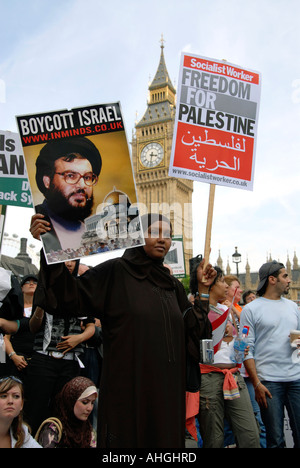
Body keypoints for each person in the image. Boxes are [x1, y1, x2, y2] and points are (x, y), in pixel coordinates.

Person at [33, 213, 216, 448]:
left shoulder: (172, 285)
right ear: (138, 236)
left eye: (168, 235)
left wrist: (202, 290)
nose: (163, 240)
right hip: (129, 387)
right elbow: (68, 296)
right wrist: (50, 246)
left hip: (167, 391)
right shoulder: (116, 271)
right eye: (154, 233)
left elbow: (196, 332)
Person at [23, 260, 96, 435]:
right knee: (35, 408)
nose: (68, 264)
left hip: (70, 362)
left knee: (65, 410)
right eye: (64, 260)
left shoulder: (82, 291)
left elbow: (91, 326)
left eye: (72, 260)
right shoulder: (44, 287)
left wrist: (78, 338)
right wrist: (41, 305)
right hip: (43, 358)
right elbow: (33, 327)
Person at [198, 266, 260, 448]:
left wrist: (240, 349)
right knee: (214, 439)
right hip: (209, 377)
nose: (226, 286)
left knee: (250, 436)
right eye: (221, 281)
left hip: (233, 375)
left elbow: (236, 340)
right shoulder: (197, 312)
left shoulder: (227, 311)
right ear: (209, 284)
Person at [240, 260, 300, 448]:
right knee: (275, 439)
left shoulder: (293, 307)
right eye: (285, 276)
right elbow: (244, 347)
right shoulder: (250, 309)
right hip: (268, 382)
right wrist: (256, 383)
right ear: (272, 279)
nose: (289, 280)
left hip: (296, 379)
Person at [30, 137, 102, 254]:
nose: (82, 185)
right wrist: (43, 242)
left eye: (87, 177)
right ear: (47, 181)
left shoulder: (96, 234)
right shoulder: (40, 223)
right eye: (71, 176)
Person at [36, 376, 97, 448]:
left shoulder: (88, 431)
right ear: (71, 401)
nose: (89, 408)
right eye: (85, 402)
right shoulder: (54, 428)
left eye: (92, 403)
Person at [4, 275, 38, 383]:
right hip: (16, 357)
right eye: (27, 282)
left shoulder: (42, 310)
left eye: (35, 282)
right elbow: (5, 337)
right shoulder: (14, 309)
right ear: (21, 288)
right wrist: (13, 356)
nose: (31, 284)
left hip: (36, 360)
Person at [0, 376, 41, 448]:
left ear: (21, 404)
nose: (10, 401)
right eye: (4, 396)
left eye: (16, 396)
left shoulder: (22, 432)